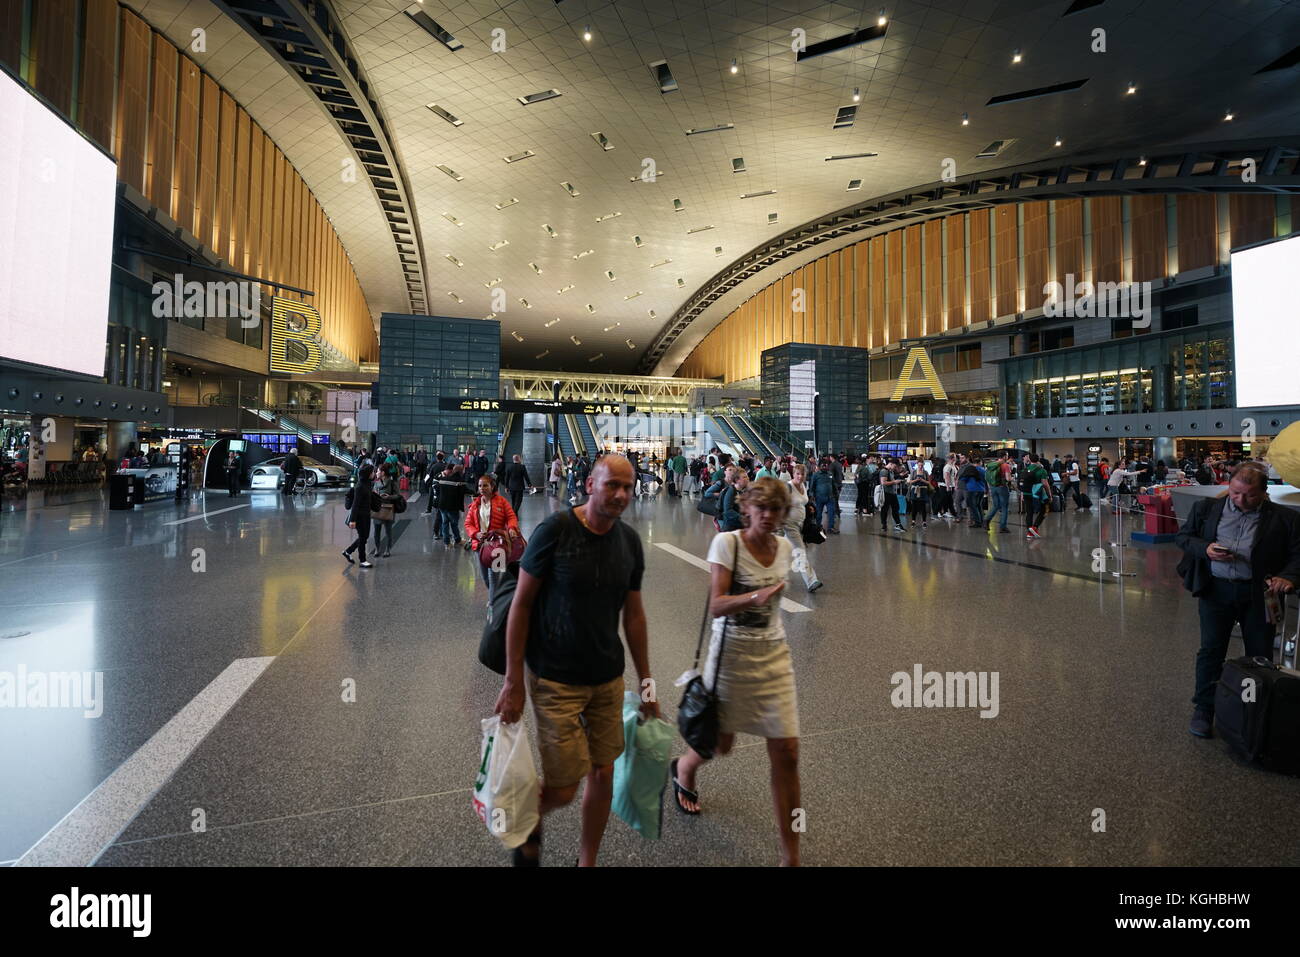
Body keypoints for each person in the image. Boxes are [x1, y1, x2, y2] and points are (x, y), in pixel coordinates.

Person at [494, 455, 655, 867]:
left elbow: (633, 615)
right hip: (555, 678)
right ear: (588, 484)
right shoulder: (556, 530)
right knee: (564, 789)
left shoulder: (630, 541)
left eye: (627, 486)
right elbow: (522, 606)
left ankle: (588, 861)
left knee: (603, 773)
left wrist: (648, 681)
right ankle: (528, 818)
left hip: (607, 678)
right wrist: (513, 681)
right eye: (611, 485)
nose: (620, 494)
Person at [670, 477, 801, 866]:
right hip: (730, 657)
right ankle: (683, 767)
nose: (767, 516)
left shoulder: (785, 549)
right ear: (747, 509)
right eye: (761, 509)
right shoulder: (726, 544)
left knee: (787, 753)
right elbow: (716, 604)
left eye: (775, 510)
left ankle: (790, 855)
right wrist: (755, 596)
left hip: (774, 656)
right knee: (719, 744)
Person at [1176, 462, 1300, 738]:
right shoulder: (1207, 510)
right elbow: (1184, 538)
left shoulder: (1285, 519)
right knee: (1210, 651)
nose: (1240, 500)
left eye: (1249, 495)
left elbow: (1297, 555)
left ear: (1264, 493)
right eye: (1234, 493)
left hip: (1259, 595)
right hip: (1216, 591)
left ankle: (1253, 711)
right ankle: (1204, 709)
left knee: (1259, 656)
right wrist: (1205, 548)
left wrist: (1288, 577)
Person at [465, 474, 520, 602]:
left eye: (485, 485)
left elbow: (511, 517)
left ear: (492, 486)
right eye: (479, 486)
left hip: (497, 546)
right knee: (485, 577)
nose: (482, 488)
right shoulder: (475, 505)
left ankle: (493, 605)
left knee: (494, 576)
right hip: (480, 546)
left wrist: (512, 528)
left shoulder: (502, 501)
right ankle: (499, 597)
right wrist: (475, 534)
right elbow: (468, 524)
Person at [782, 464, 823, 593]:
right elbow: (779, 503)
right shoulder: (788, 486)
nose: (800, 477)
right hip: (789, 524)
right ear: (793, 474)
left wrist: (809, 507)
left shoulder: (803, 486)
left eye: (802, 474)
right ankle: (811, 581)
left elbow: (803, 502)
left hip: (801, 524)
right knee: (800, 551)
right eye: (797, 474)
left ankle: (772, 574)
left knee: (785, 551)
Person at [343, 464, 380, 567]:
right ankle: (362, 560)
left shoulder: (367, 483)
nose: (373, 473)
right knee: (363, 537)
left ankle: (348, 551)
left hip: (366, 514)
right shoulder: (360, 486)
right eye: (372, 472)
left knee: (364, 536)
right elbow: (355, 504)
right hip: (360, 516)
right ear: (368, 474)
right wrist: (352, 520)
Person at [435, 464, 470, 549]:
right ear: (461, 472)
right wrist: (478, 493)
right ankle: (457, 540)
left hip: (442, 506)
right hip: (453, 507)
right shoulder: (459, 481)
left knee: (445, 523)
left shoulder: (443, 479)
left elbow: (436, 487)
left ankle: (447, 543)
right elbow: (466, 491)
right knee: (454, 524)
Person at [371, 467, 399, 558]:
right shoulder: (376, 483)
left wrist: (389, 497)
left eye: (378, 471)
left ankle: (387, 549)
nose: (377, 472)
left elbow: (398, 496)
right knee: (376, 531)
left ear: (383, 472)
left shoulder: (392, 483)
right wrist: (377, 496)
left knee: (388, 530)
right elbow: (373, 495)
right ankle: (377, 548)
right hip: (377, 508)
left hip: (388, 509)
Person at [1022, 453, 1051, 539]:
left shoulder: (1026, 469)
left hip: (1026, 493)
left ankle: (1029, 532)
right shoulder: (1042, 470)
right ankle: (1035, 527)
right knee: (1044, 510)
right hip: (1037, 494)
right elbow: (1045, 484)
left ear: (1029, 460)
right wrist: (1049, 495)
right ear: (1038, 460)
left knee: (1029, 512)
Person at [983, 451, 1013, 533]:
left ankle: (986, 520)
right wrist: (1012, 478)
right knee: (1004, 507)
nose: (1008, 457)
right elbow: (1008, 479)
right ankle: (1003, 527)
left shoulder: (993, 464)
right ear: (1004, 457)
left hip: (993, 487)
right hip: (1002, 488)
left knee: (995, 505)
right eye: (1007, 456)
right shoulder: (1005, 465)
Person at [808, 459, 837, 535]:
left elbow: (833, 485)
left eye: (826, 465)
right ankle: (818, 527)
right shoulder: (816, 475)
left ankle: (830, 528)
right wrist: (811, 495)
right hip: (819, 498)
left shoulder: (830, 474)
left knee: (831, 513)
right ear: (819, 466)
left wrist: (836, 494)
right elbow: (812, 486)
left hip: (830, 498)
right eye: (823, 465)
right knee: (818, 514)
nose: (825, 467)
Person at [879, 460, 905, 532]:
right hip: (886, 493)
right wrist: (894, 482)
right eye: (895, 466)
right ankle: (884, 525)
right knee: (885, 509)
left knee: (895, 508)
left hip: (892, 493)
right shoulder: (884, 471)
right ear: (891, 464)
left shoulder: (890, 471)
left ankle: (898, 524)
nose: (895, 468)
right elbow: (883, 482)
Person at [907, 464, 932, 530]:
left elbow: (929, 482)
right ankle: (913, 521)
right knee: (914, 506)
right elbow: (910, 481)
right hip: (915, 490)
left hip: (923, 490)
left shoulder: (925, 472)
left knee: (923, 507)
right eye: (919, 465)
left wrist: (923, 480)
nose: (920, 467)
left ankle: (924, 521)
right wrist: (916, 480)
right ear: (917, 464)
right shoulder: (913, 472)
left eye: (922, 465)